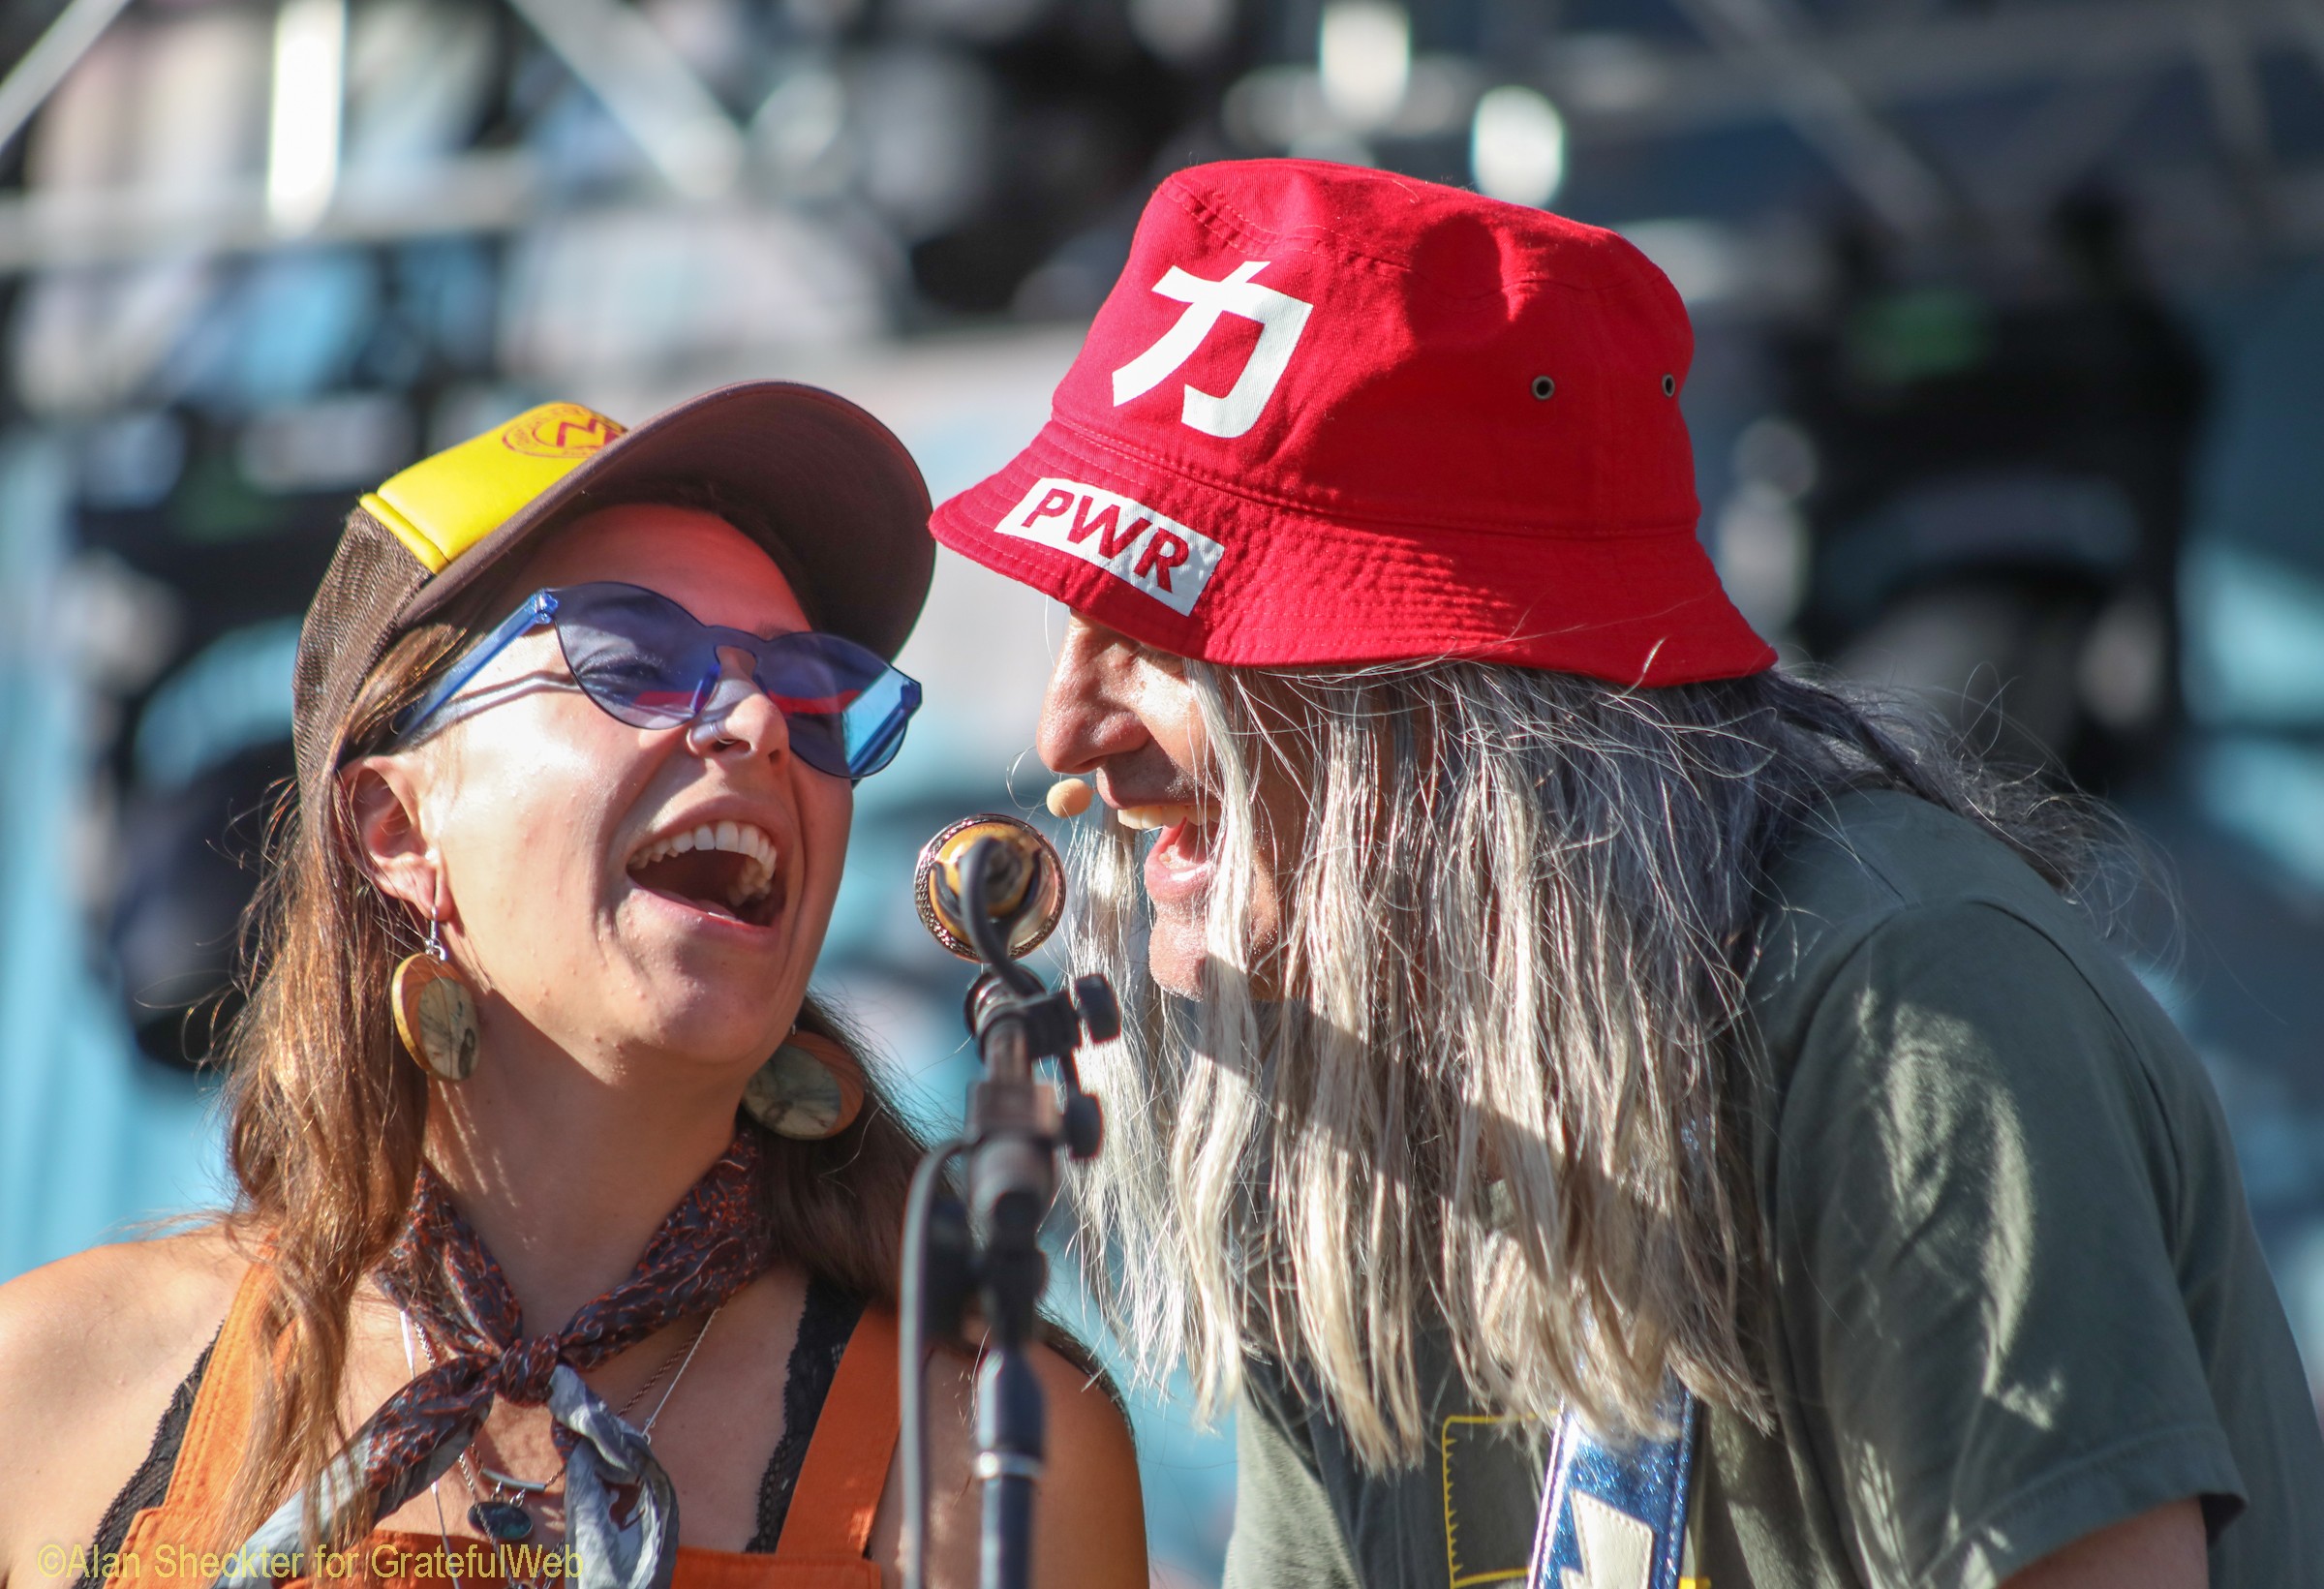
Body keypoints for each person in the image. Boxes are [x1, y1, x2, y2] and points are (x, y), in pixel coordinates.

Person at [927, 162, 2324, 1589]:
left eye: (1165, 636)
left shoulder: (1910, 1002)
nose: (1067, 739)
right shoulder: (1339, 1069)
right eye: (1070, 626)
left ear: (1462, 694)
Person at [0, 384, 1147, 1589]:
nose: (756, 720)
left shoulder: (995, 1461)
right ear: (395, 826)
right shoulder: (49, 1383)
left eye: (811, 691)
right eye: (632, 658)